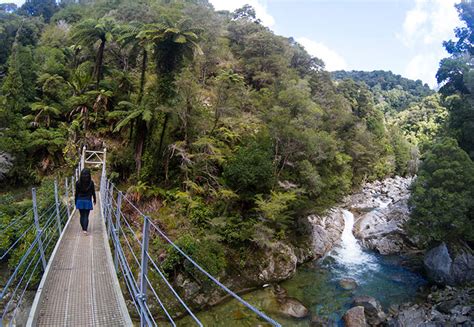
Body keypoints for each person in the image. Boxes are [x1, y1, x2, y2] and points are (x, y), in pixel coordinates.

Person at [75, 168, 96, 235]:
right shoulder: (91, 182)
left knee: (81, 215)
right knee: (86, 216)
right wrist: (95, 199)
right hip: (88, 200)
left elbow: (76, 193)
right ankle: (85, 230)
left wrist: (75, 201)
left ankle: (83, 228)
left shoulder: (78, 183)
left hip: (80, 200)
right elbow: (93, 192)